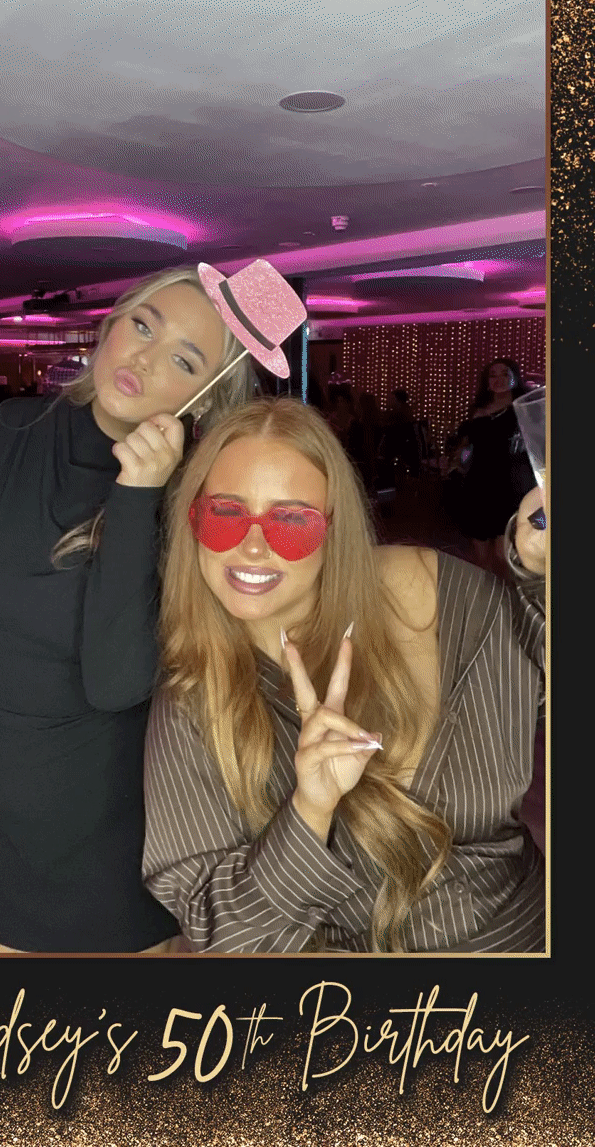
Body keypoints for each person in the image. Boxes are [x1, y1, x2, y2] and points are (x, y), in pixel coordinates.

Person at [0, 265, 258, 954]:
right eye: (142, 325)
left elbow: (115, 682)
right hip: (1, 798)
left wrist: (138, 493)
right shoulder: (11, 429)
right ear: (110, 324)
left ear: (204, 397)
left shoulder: (194, 506)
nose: (145, 358)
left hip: (117, 828)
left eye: (183, 360)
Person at [143, 398, 545, 953]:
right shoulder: (193, 702)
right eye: (225, 513)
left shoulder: (433, 595)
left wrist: (544, 577)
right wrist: (309, 810)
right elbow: (226, 936)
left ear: (334, 529)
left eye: (291, 521)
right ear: (193, 521)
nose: (253, 545)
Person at [455, 359, 536, 577]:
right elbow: (469, 446)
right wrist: (459, 458)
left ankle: (506, 595)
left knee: (504, 555)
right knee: (480, 556)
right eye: (493, 375)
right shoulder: (478, 410)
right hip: (478, 483)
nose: (499, 379)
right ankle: (486, 595)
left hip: (510, 485)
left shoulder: (523, 407)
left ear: (515, 377)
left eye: (505, 373)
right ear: (486, 381)